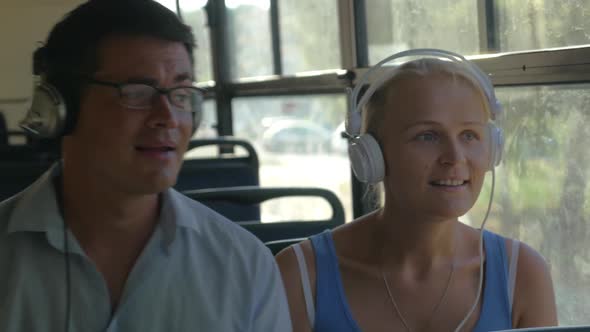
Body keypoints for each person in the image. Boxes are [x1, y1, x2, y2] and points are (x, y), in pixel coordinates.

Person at [0, 1, 291, 331]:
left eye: (181, 93)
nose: (168, 118)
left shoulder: (245, 265)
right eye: (137, 92)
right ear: (62, 108)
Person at [276, 50, 557, 331]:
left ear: (493, 148)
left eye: (469, 135)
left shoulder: (522, 274)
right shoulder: (299, 277)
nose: (455, 157)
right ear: (372, 155)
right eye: (427, 136)